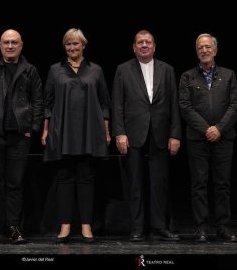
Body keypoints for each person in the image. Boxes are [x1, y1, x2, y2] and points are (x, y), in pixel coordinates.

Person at [0, 29, 43, 245]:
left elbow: (38, 101)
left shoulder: (30, 70)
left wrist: (33, 127)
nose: (10, 46)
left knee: (15, 183)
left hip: (20, 136)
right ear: (0, 45)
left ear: (21, 45)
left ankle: (14, 227)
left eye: (14, 42)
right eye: (6, 42)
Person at [41, 28, 111, 244]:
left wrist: (107, 131)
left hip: (90, 131)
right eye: (68, 44)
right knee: (64, 177)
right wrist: (45, 130)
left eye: (75, 44)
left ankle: (86, 226)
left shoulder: (96, 70)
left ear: (83, 46)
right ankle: (65, 226)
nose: (72, 48)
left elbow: (104, 104)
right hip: (62, 132)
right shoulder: (55, 70)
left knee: (86, 176)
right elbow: (48, 103)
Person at [112, 30, 181, 242]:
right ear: (134, 47)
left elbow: (174, 105)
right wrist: (120, 133)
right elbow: (117, 105)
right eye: (140, 42)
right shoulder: (123, 69)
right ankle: (137, 228)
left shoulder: (167, 69)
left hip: (160, 133)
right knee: (135, 183)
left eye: (148, 42)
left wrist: (175, 134)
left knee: (159, 184)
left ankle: (160, 227)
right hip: (132, 135)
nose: (144, 45)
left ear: (154, 46)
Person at [179, 33, 237, 243]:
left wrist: (219, 129)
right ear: (196, 51)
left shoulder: (229, 75)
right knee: (199, 184)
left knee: (222, 184)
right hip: (197, 138)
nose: (204, 50)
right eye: (200, 47)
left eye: (207, 47)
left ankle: (223, 226)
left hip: (224, 137)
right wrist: (207, 129)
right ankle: (201, 227)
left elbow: (234, 106)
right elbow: (185, 107)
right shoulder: (187, 76)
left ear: (215, 50)